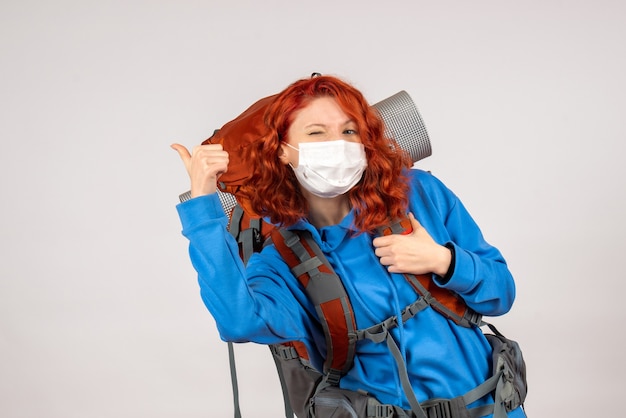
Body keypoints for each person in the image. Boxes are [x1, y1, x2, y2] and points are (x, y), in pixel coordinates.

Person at [171, 75, 526, 418]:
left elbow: (501, 294)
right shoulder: (283, 259)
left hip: (492, 410)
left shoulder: (418, 194)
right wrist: (202, 208)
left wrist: (442, 260)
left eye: (348, 131)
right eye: (316, 133)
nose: (336, 144)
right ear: (283, 152)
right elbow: (239, 322)